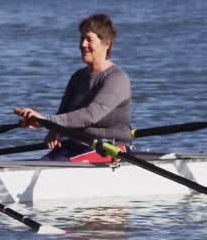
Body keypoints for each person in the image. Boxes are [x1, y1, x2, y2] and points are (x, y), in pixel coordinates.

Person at [16, 13, 132, 161]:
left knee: (49, 167)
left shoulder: (116, 78)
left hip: (110, 149)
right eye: (81, 38)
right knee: (35, 163)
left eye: (89, 39)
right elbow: (63, 114)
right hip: (76, 146)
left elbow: (90, 115)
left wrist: (46, 120)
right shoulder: (77, 77)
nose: (83, 44)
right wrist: (52, 128)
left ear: (106, 43)